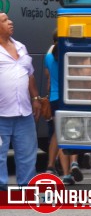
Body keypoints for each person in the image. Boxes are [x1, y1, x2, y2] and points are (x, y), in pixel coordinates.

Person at [0, 12, 40, 190]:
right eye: (5, 20)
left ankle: (26, 188)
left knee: (27, 154)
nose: (10, 22)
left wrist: (36, 98)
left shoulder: (21, 47)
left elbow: (29, 74)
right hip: (1, 114)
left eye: (8, 19)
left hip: (24, 113)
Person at [43, 28, 84, 185]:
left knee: (60, 135)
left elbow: (48, 76)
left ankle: (66, 174)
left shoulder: (48, 57)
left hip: (54, 99)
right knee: (74, 131)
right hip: (70, 97)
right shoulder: (71, 57)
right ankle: (74, 162)